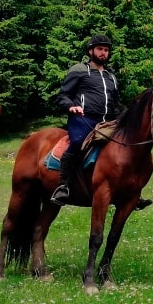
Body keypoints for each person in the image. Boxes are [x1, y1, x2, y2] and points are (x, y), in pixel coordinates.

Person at [51, 34, 121, 206]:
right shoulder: (79, 70)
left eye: (106, 50)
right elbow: (62, 96)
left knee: (125, 145)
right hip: (83, 119)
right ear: (91, 51)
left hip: (108, 121)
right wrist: (71, 106)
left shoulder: (111, 77)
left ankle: (128, 190)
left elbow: (116, 103)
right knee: (77, 142)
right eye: (100, 49)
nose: (103, 53)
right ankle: (63, 186)